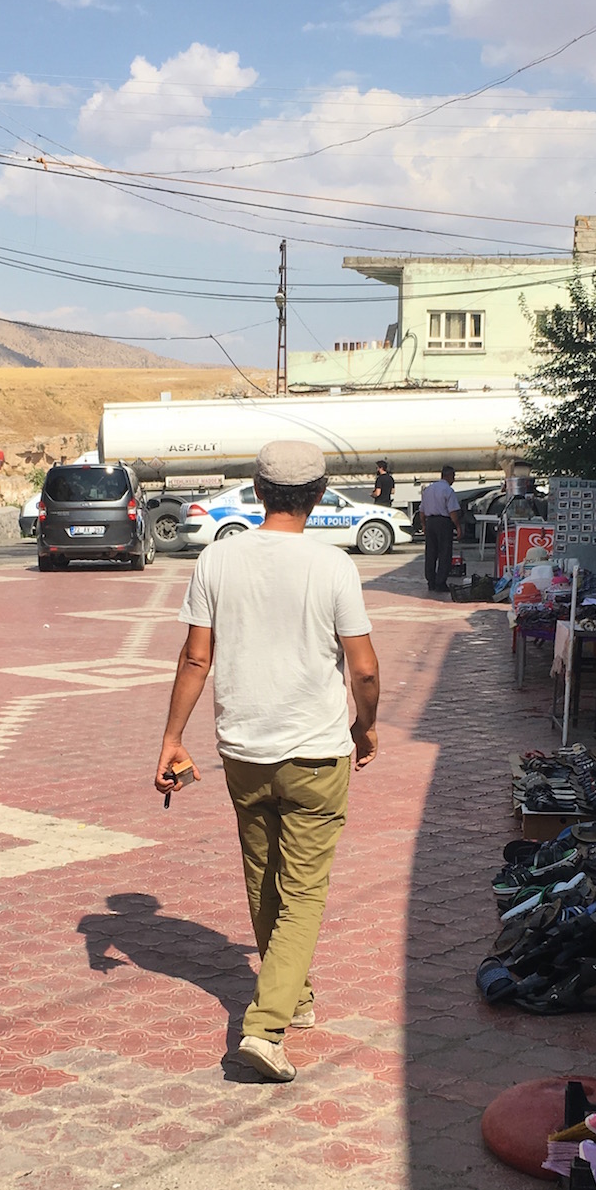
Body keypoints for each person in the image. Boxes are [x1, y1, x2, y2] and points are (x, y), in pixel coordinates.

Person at [155, 440, 380, 1083]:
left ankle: (295, 995)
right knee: (303, 892)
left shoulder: (218, 558)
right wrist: (366, 727)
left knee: (263, 875)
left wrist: (172, 737)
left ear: (257, 492)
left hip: (243, 751)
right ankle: (265, 1026)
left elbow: (196, 658)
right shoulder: (333, 565)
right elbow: (363, 669)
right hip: (317, 754)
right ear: (318, 496)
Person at [419, 465, 460, 593]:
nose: (454, 479)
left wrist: (424, 525)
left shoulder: (428, 489)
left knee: (430, 553)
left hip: (430, 522)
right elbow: (453, 512)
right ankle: (440, 582)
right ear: (449, 476)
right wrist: (458, 527)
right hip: (443, 522)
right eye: (453, 476)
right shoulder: (448, 490)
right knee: (444, 553)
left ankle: (431, 581)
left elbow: (422, 511)